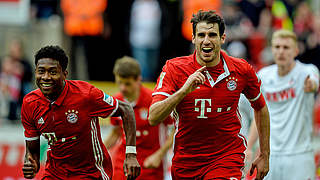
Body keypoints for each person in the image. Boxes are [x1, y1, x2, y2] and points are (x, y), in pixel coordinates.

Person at [148, 10, 270, 180]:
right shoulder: (174, 69)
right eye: (201, 35)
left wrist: (265, 154)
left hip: (226, 159)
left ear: (222, 38)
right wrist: (183, 91)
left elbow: (261, 108)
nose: (206, 40)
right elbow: (153, 117)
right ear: (193, 38)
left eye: (212, 35)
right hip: (186, 162)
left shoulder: (241, 69)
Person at [21, 46, 141, 179]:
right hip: (55, 173)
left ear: (65, 74)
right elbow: (32, 153)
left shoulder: (86, 95)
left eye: (53, 72)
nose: (45, 77)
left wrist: (130, 154)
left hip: (89, 173)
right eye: (41, 71)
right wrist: (31, 164)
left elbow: (126, 109)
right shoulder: (30, 103)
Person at [247, 29, 319, 180]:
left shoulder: (306, 71)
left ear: (296, 50)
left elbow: (314, 82)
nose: (281, 52)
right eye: (277, 47)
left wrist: (311, 85)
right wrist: (248, 146)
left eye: (286, 48)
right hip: (270, 155)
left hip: (299, 155)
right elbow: (260, 115)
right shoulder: (264, 76)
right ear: (272, 49)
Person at [104, 56, 174, 180]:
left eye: (127, 84)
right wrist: (98, 151)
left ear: (138, 80)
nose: (122, 88)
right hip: (123, 163)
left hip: (150, 164)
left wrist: (159, 155)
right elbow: (116, 133)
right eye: (119, 82)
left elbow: (175, 130)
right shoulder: (116, 102)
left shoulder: (154, 101)